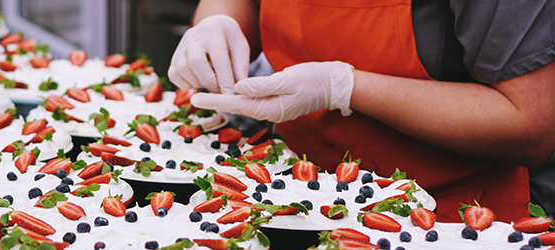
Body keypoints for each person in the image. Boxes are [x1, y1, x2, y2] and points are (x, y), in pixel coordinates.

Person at [168, 0, 555, 223]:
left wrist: (345, 87)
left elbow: (530, 125)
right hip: (293, 197)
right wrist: (216, 24)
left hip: (454, 214)